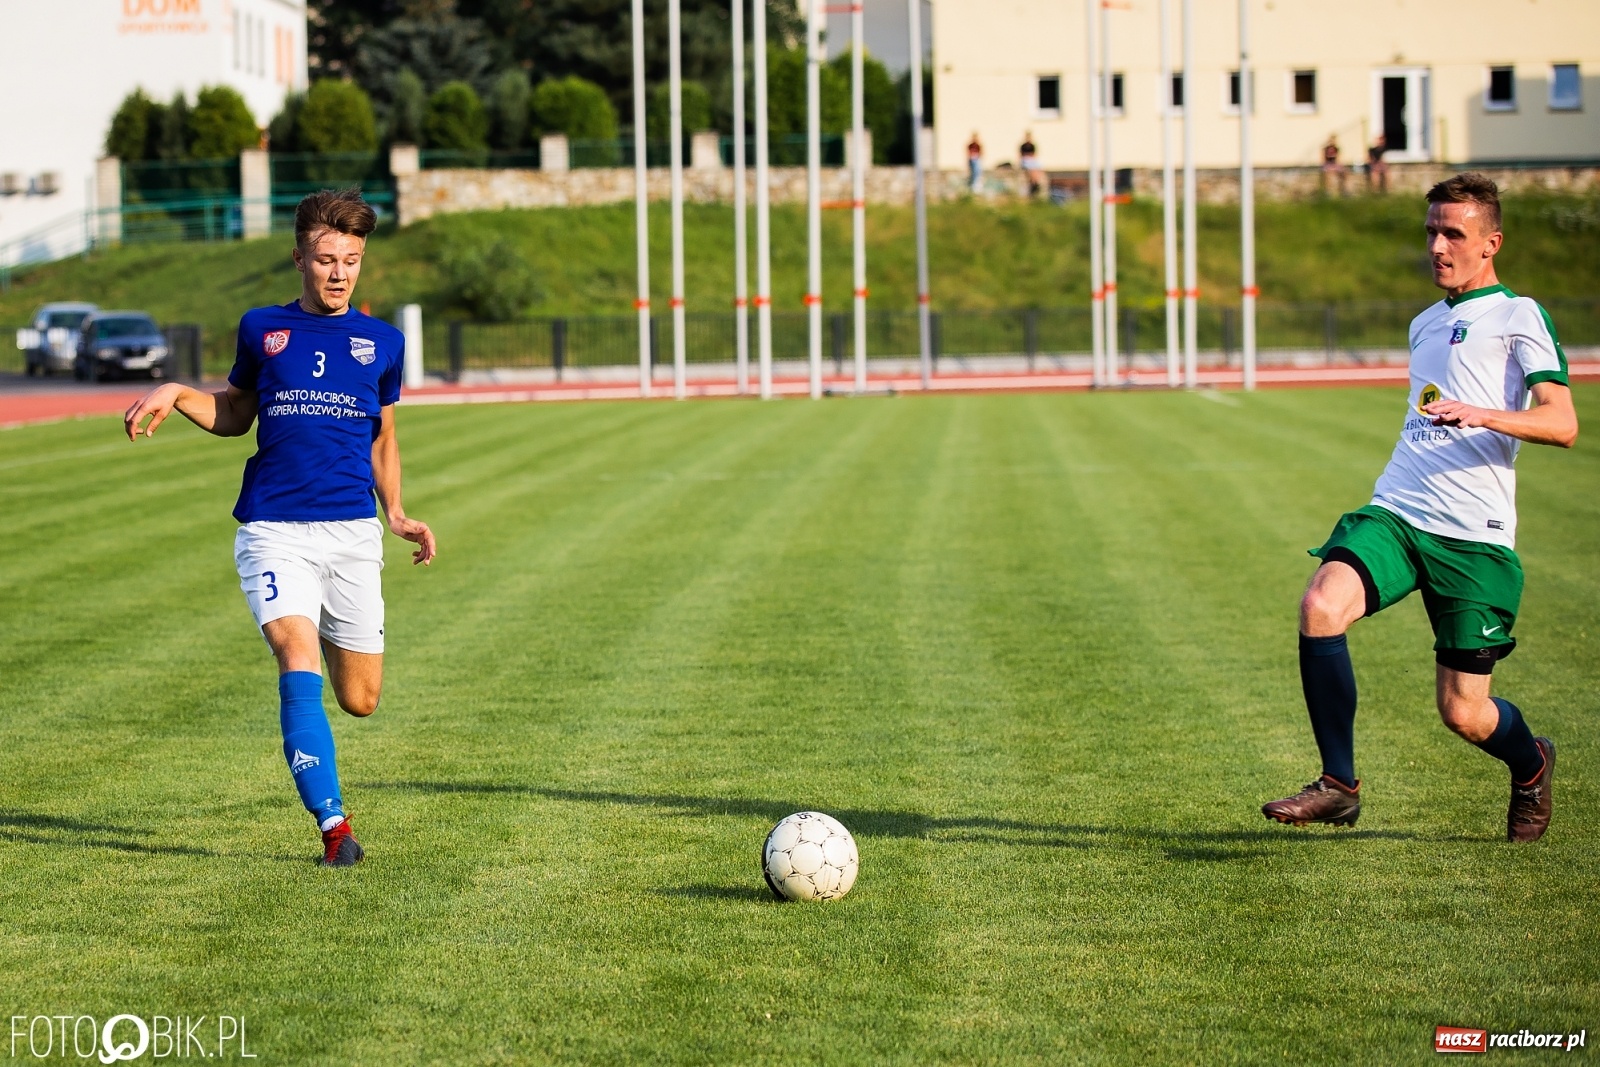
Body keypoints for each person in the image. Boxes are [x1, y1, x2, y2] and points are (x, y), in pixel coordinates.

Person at [123, 189, 437, 867]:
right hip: (274, 528)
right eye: (326, 259)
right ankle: (335, 831)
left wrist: (398, 511)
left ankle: (317, 626)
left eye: (350, 260)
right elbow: (236, 411)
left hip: (352, 533)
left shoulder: (383, 343)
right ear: (300, 257)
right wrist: (178, 393)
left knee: (361, 699)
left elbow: (383, 436)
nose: (338, 272)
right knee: (297, 659)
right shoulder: (262, 328)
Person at [1262, 174, 1577, 842]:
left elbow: (1563, 422)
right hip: (1400, 511)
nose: (1437, 245)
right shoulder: (1424, 323)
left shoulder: (1519, 315)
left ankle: (1531, 764)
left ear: (1491, 242)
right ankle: (1339, 785)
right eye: (1431, 231)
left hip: (1474, 535)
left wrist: (1484, 414)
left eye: (1453, 233)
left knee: (1464, 711)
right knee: (1321, 605)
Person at [1019, 133, 1041, 198]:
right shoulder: (1023, 146)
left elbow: (1034, 155)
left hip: (1031, 160)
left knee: (1035, 168)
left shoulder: (1032, 145)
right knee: (1031, 168)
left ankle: (1035, 181)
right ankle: (1034, 183)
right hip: (1025, 160)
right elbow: (1021, 155)